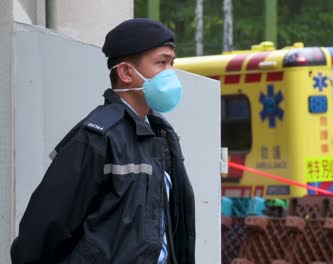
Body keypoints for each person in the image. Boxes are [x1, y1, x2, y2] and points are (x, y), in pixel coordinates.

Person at [10, 18, 195, 264]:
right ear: (126, 72)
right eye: (161, 63)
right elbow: (42, 231)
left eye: (172, 63)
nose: (170, 72)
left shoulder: (162, 135)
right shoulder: (98, 137)